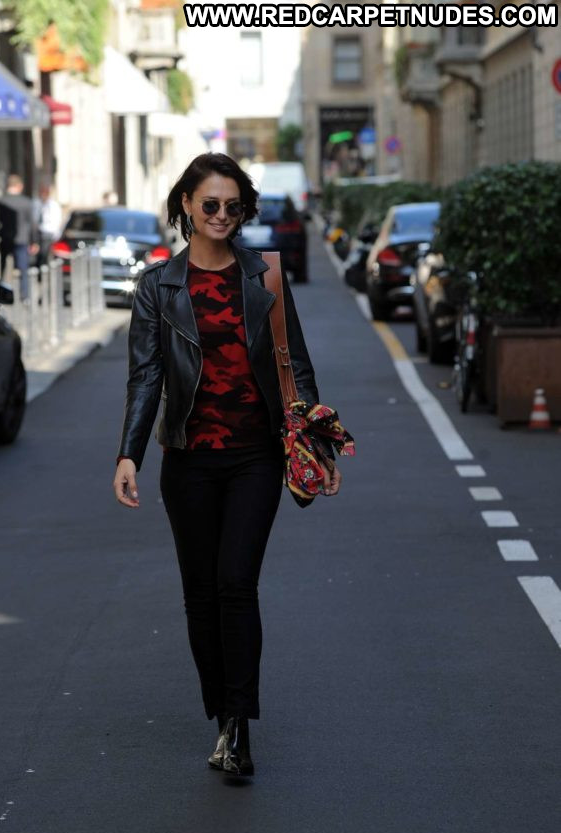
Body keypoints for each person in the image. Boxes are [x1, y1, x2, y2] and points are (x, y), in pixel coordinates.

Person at [113, 153, 341, 778]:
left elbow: (295, 365)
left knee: (236, 584)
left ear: (244, 212)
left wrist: (317, 445)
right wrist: (130, 453)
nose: (220, 215)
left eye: (232, 206)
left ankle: (239, 726)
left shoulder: (264, 276)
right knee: (200, 594)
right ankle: (220, 714)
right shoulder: (158, 286)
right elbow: (145, 377)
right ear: (186, 204)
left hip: (254, 457)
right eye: (209, 204)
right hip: (187, 460)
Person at [0, 174, 39, 301]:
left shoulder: (1, 201)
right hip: (22, 239)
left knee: (2, 267)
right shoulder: (26, 202)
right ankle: (24, 295)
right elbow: (32, 224)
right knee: (22, 269)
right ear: (19, 186)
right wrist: (34, 241)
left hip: (4, 239)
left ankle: (0, 294)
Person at [35, 182, 62, 268]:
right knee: (38, 253)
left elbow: (57, 220)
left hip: (48, 232)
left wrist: (56, 234)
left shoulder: (53, 205)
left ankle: (43, 267)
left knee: (44, 253)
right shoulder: (36, 204)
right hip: (38, 232)